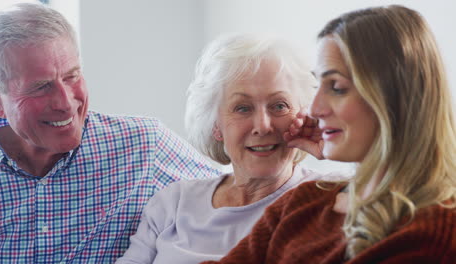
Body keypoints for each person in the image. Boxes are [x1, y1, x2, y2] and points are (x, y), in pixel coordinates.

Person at [202, 5, 456, 264]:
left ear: (396, 98)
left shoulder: (436, 231)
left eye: (336, 87)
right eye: (319, 84)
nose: (314, 109)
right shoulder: (303, 203)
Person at [0, 3, 220, 263]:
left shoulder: (144, 147)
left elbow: (243, 198)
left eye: (72, 76)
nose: (65, 102)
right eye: (42, 87)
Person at [116, 33, 345, 264]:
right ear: (216, 126)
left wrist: (338, 146)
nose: (263, 126)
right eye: (243, 108)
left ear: (305, 114)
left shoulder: (330, 196)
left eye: (279, 105)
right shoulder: (174, 202)